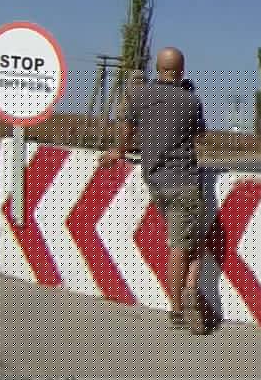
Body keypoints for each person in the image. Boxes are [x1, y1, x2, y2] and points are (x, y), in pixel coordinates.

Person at [101, 47, 207, 334]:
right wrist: (187, 95)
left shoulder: (138, 95)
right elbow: (200, 136)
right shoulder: (191, 100)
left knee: (188, 241)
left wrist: (118, 151)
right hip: (184, 182)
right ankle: (180, 306)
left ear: (158, 68)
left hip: (156, 183)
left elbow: (126, 129)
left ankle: (187, 291)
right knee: (183, 246)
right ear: (182, 70)